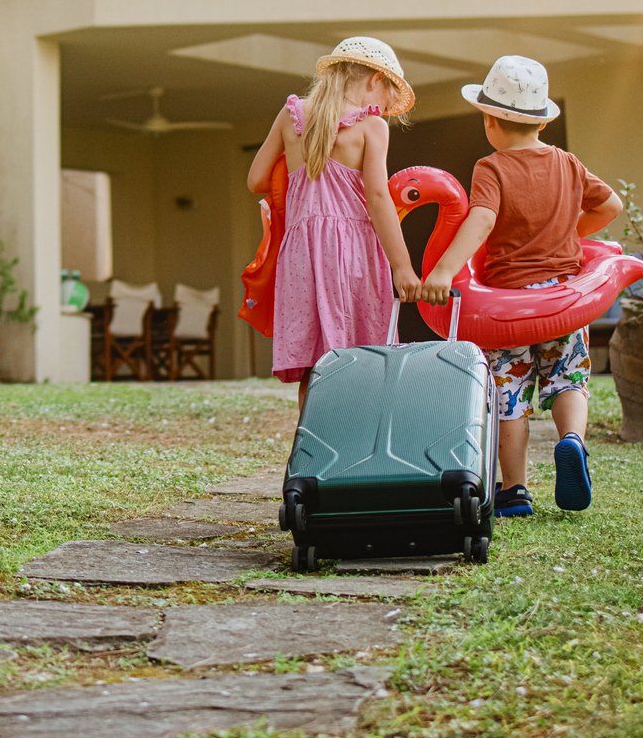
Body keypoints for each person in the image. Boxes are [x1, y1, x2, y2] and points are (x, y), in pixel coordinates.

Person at [419, 56, 623, 516]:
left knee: (509, 397)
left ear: (491, 122)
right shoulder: (568, 163)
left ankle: (514, 491)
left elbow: (482, 219)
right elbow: (612, 204)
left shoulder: (490, 167)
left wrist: (444, 270)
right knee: (568, 377)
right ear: (541, 122)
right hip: (563, 300)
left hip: (510, 306)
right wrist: (571, 235)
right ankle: (571, 440)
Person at [246, 37, 425, 405]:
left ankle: (312, 452)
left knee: (314, 360)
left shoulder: (293, 113)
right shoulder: (371, 126)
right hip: (352, 249)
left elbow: (255, 181)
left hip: (300, 250)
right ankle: (352, 446)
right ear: (375, 79)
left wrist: (297, 174)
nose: (384, 108)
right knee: (358, 356)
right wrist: (402, 267)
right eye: (387, 96)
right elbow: (377, 199)